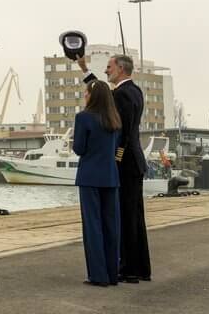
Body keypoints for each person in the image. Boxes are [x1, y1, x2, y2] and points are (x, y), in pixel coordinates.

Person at [79, 53, 150, 283]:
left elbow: (124, 132)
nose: (107, 71)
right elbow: (101, 94)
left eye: (109, 67)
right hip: (134, 162)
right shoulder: (135, 91)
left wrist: (115, 158)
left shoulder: (122, 95)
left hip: (125, 163)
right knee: (135, 218)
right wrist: (84, 70)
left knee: (125, 218)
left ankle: (128, 268)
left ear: (120, 68)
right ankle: (140, 267)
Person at [73, 79, 122, 287]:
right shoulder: (114, 120)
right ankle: (112, 274)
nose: (84, 95)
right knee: (111, 225)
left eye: (86, 92)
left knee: (93, 226)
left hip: (89, 177)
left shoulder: (83, 118)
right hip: (110, 177)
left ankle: (98, 275)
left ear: (92, 95)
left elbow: (79, 148)